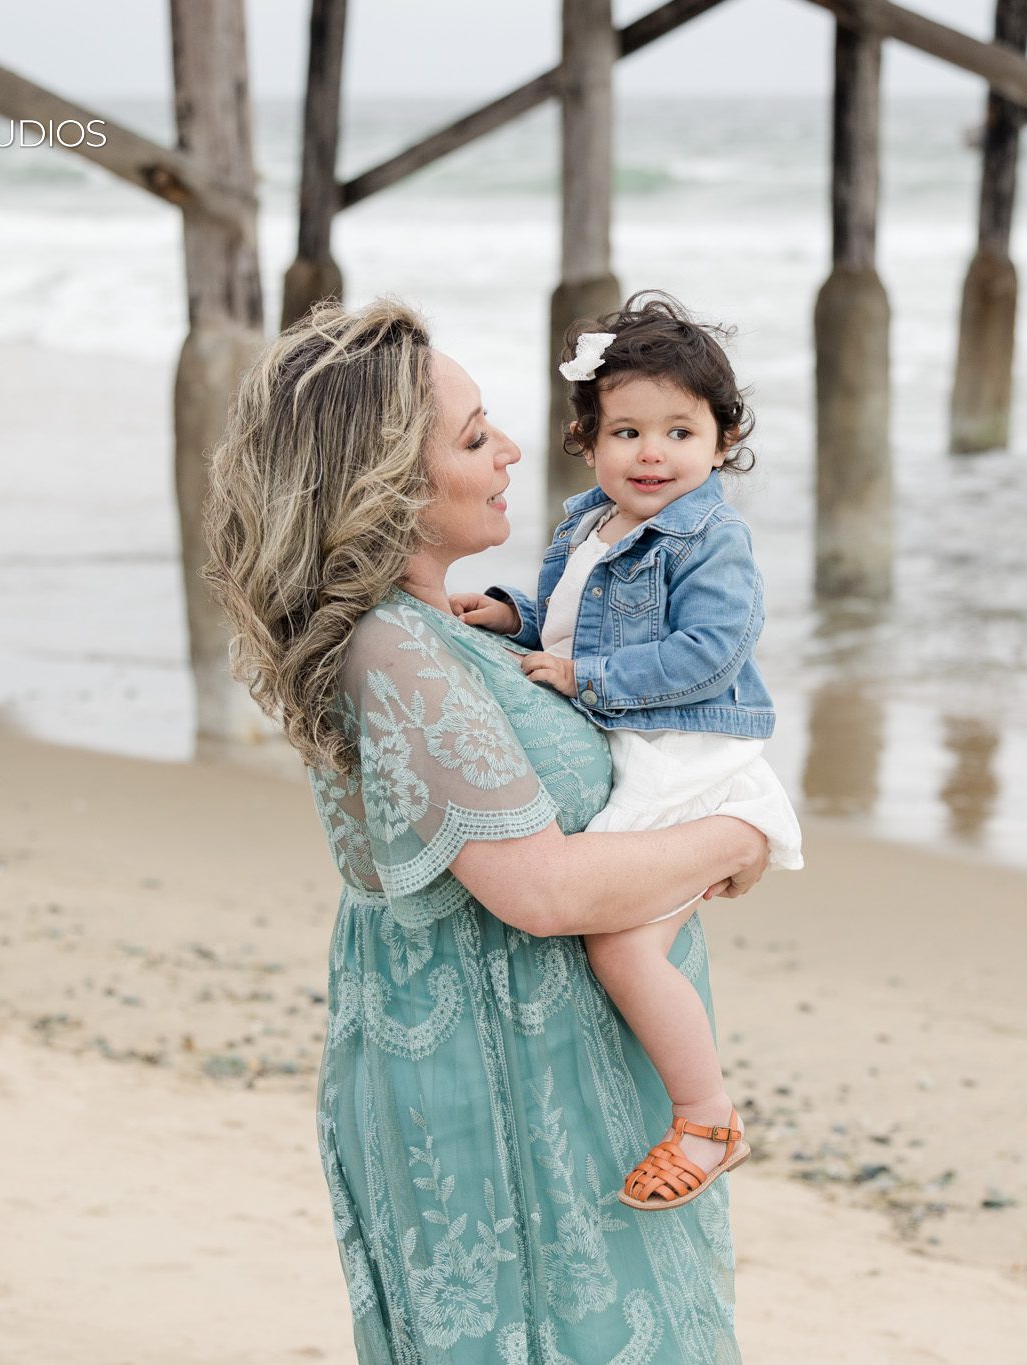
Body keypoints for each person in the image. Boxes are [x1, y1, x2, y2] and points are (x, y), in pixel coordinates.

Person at [201, 299, 768, 1364]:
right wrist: (735, 839)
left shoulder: (443, 629)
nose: (514, 450)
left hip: (559, 1062)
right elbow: (541, 890)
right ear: (384, 485)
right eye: (472, 439)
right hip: (497, 1084)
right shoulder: (393, 652)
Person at [450, 293, 803, 1213]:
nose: (652, 453)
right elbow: (568, 619)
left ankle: (707, 1115)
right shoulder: (587, 522)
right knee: (620, 936)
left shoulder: (710, 538)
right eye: (628, 431)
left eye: (680, 432)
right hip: (641, 741)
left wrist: (585, 678)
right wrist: (508, 615)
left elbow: (708, 653)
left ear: (722, 442)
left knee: (620, 944)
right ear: (589, 437)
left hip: (683, 754)